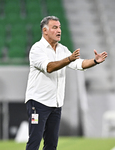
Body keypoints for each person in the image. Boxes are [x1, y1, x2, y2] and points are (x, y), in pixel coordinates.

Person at [25, 16, 107, 150]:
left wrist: (95, 61)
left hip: (56, 104)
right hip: (38, 103)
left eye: (60, 27)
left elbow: (79, 64)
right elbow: (49, 67)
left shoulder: (62, 49)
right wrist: (68, 59)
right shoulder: (37, 49)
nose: (59, 30)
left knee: (51, 144)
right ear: (45, 31)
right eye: (55, 27)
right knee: (35, 140)